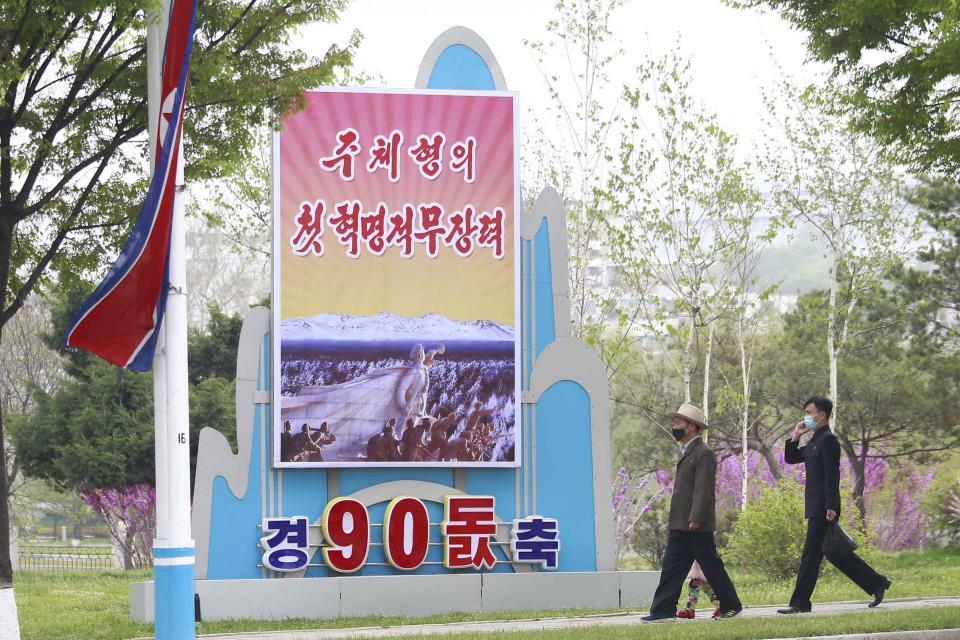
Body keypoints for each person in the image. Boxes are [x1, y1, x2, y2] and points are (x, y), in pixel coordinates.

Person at [777, 396, 892, 614]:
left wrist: (831, 505)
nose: (806, 417)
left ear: (821, 415)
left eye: (809, 412)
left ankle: (800, 602)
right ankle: (877, 583)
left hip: (824, 507)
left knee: (811, 554)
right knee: (835, 552)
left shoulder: (828, 440)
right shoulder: (814, 441)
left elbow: (832, 475)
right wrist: (796, 435)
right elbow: (791, 458)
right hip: (815, 506)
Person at [642, 403, 743, 622]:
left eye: (679, 422)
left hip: (695, 524)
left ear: (692, 427)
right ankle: (662, 611)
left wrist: (696, 518)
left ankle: (731, 605)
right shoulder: (688, 451)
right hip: (681, 523)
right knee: (671, 568)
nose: (675, 426)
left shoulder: (703, 452)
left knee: (711, 567)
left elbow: (703, 489)